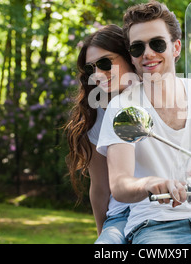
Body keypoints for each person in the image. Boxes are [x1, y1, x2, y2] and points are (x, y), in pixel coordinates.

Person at [96, 1, 191, 244]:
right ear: (132, 58)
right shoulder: (123, 107)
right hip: (156, 225)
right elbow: (119, 184)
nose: (147, 53)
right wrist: (150, 183)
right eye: (137, 48)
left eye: (157, 44)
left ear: (176, 47)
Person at [65, 24, 139, 244]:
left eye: (105, 63)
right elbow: (100, 187)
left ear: (128, 57)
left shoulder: (160, 98)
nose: (97, 75)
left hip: (162, 207)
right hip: (122, 215)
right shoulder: (95, 116)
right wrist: (103, 234)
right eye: (90, 69)